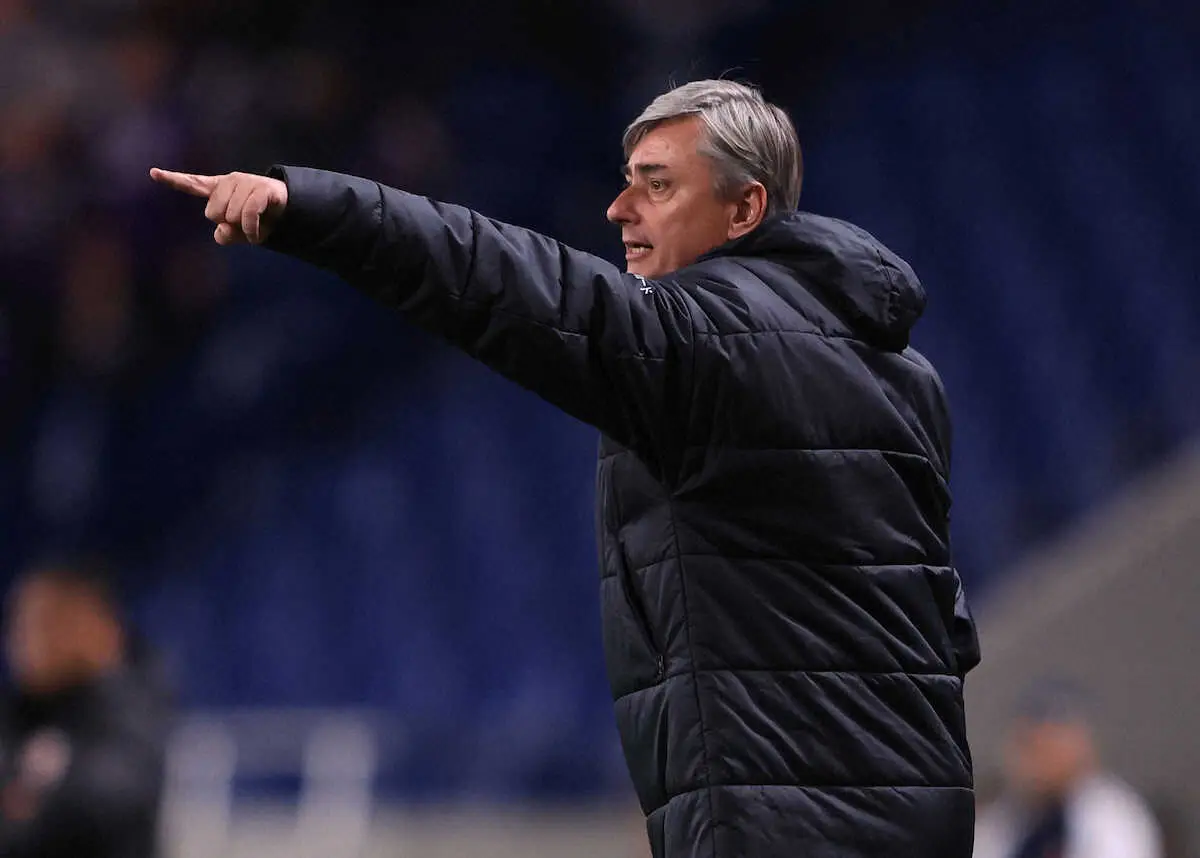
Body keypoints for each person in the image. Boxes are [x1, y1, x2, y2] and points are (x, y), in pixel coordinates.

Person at [151, 79, 981, 857]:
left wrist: (314, 210)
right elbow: (941, 627)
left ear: (745, 209)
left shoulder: (709, 344)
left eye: (657, 185)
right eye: (626, 181)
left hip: (786, 825)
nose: (619, 208)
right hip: (919, 815)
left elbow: (509, 282)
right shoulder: (906, 378)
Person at [0, 560, 170, 858]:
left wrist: (30, 805)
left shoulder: (128, 709)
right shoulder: (18, 712)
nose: (22, 640)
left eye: (46, 623)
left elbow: (108, 802)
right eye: (18, 624)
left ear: (97, 627)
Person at [973, 679, 1162, 858]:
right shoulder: (1006, 818)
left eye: (1045, 748)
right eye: (1026, 746)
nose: (1032, 763)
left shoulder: (1114, 818)